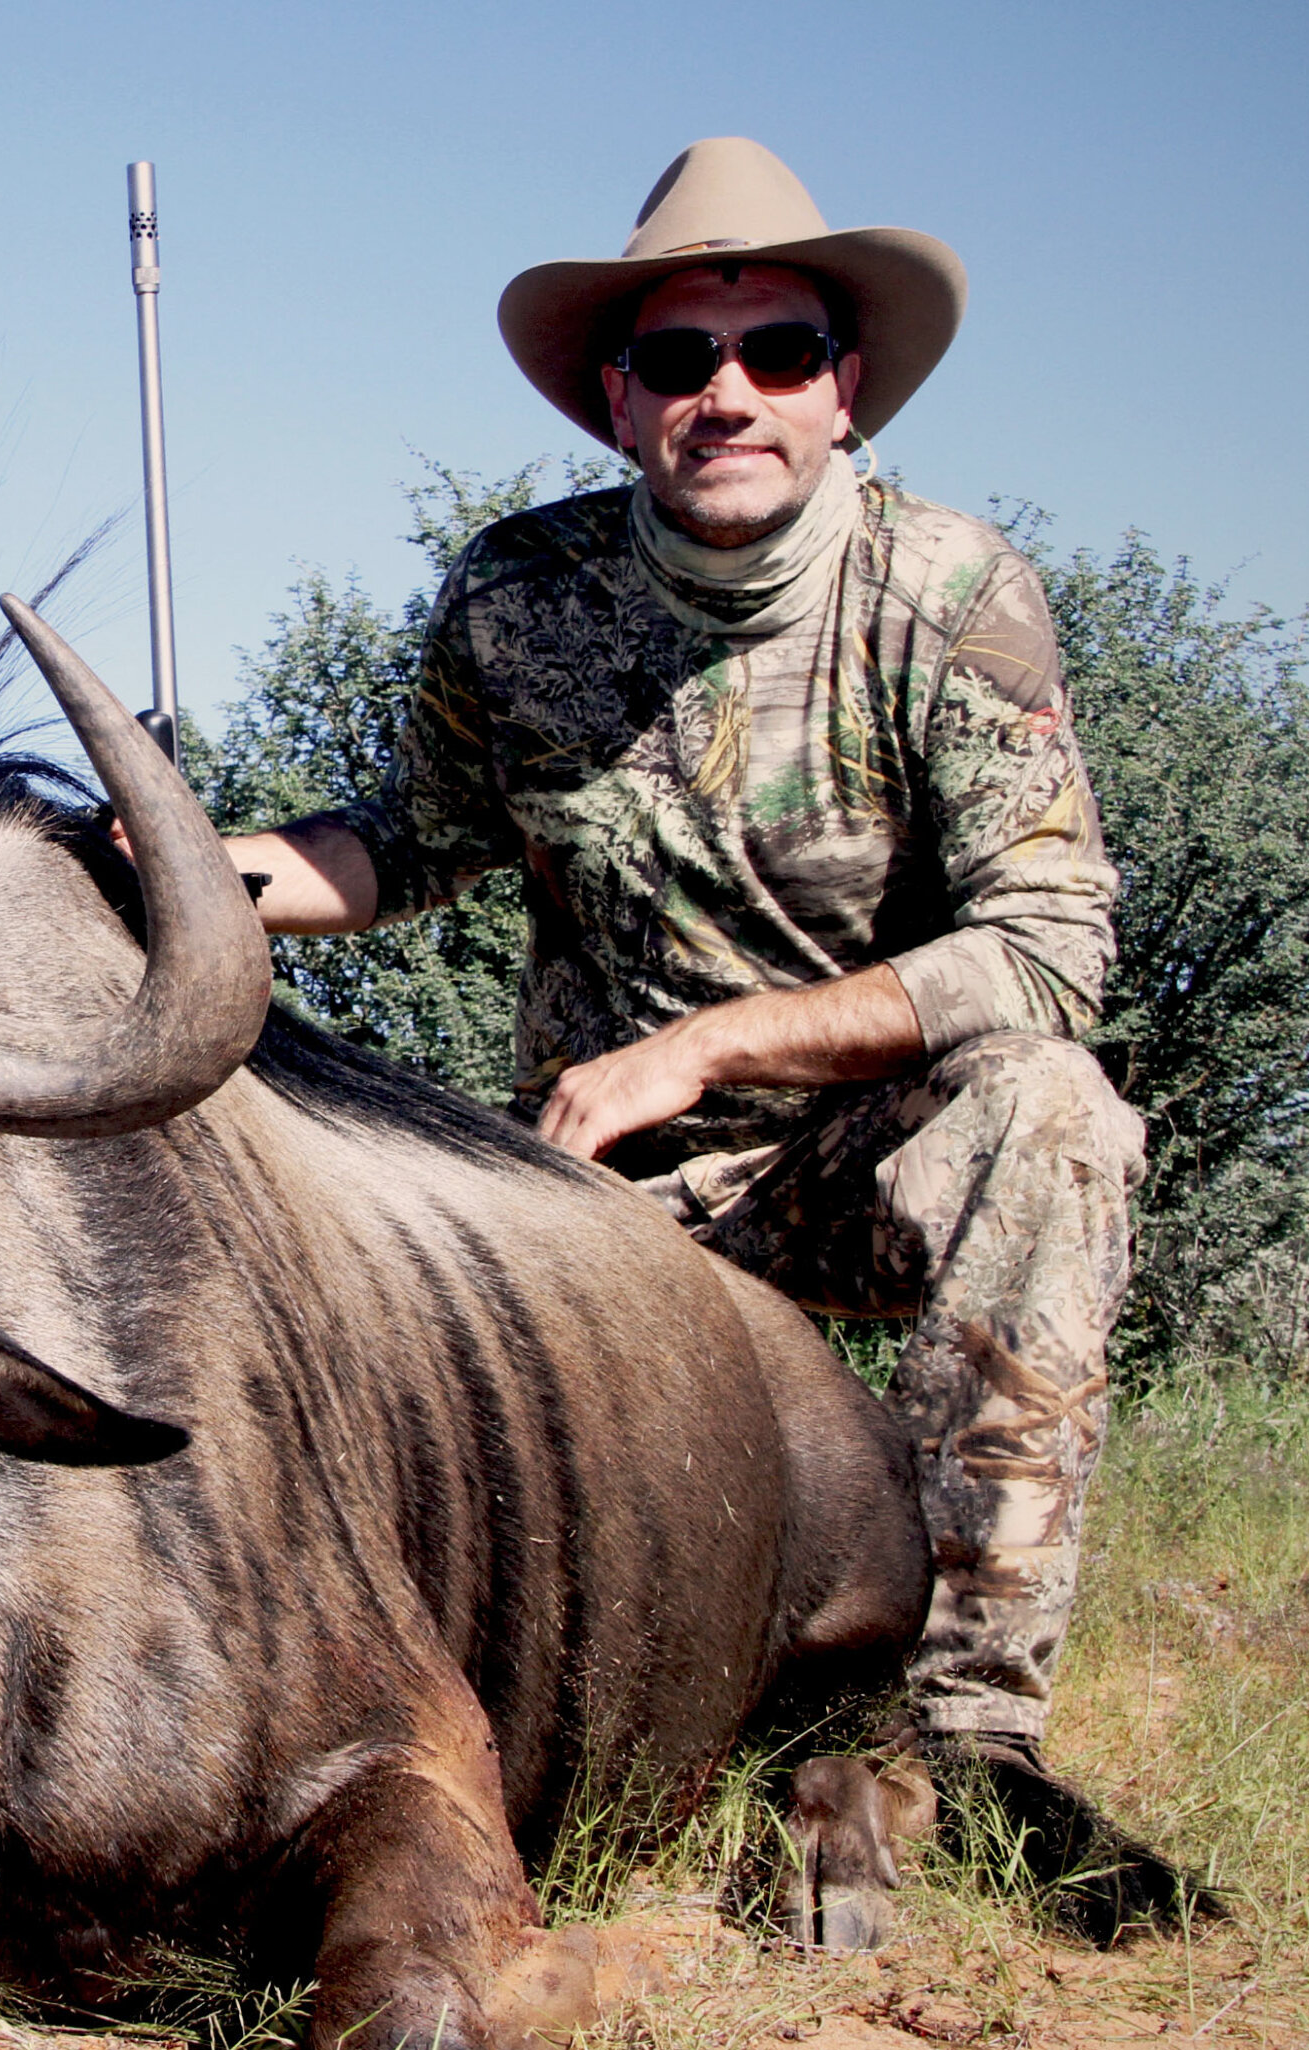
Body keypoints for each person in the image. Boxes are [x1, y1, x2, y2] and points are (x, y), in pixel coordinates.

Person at [221, 136, 1204, 1936]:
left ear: (847, 391)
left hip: (854, 1155)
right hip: (601, 1192)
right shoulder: (515, 597)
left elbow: (1057, 944)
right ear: (619, 404)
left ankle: (981, 1751)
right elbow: (414, 841)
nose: (725, 393)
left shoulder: (949, 593)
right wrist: (204, 872)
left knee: (1056, 1118)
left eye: (774, 354)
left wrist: (711, 1047)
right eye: (678, 361)